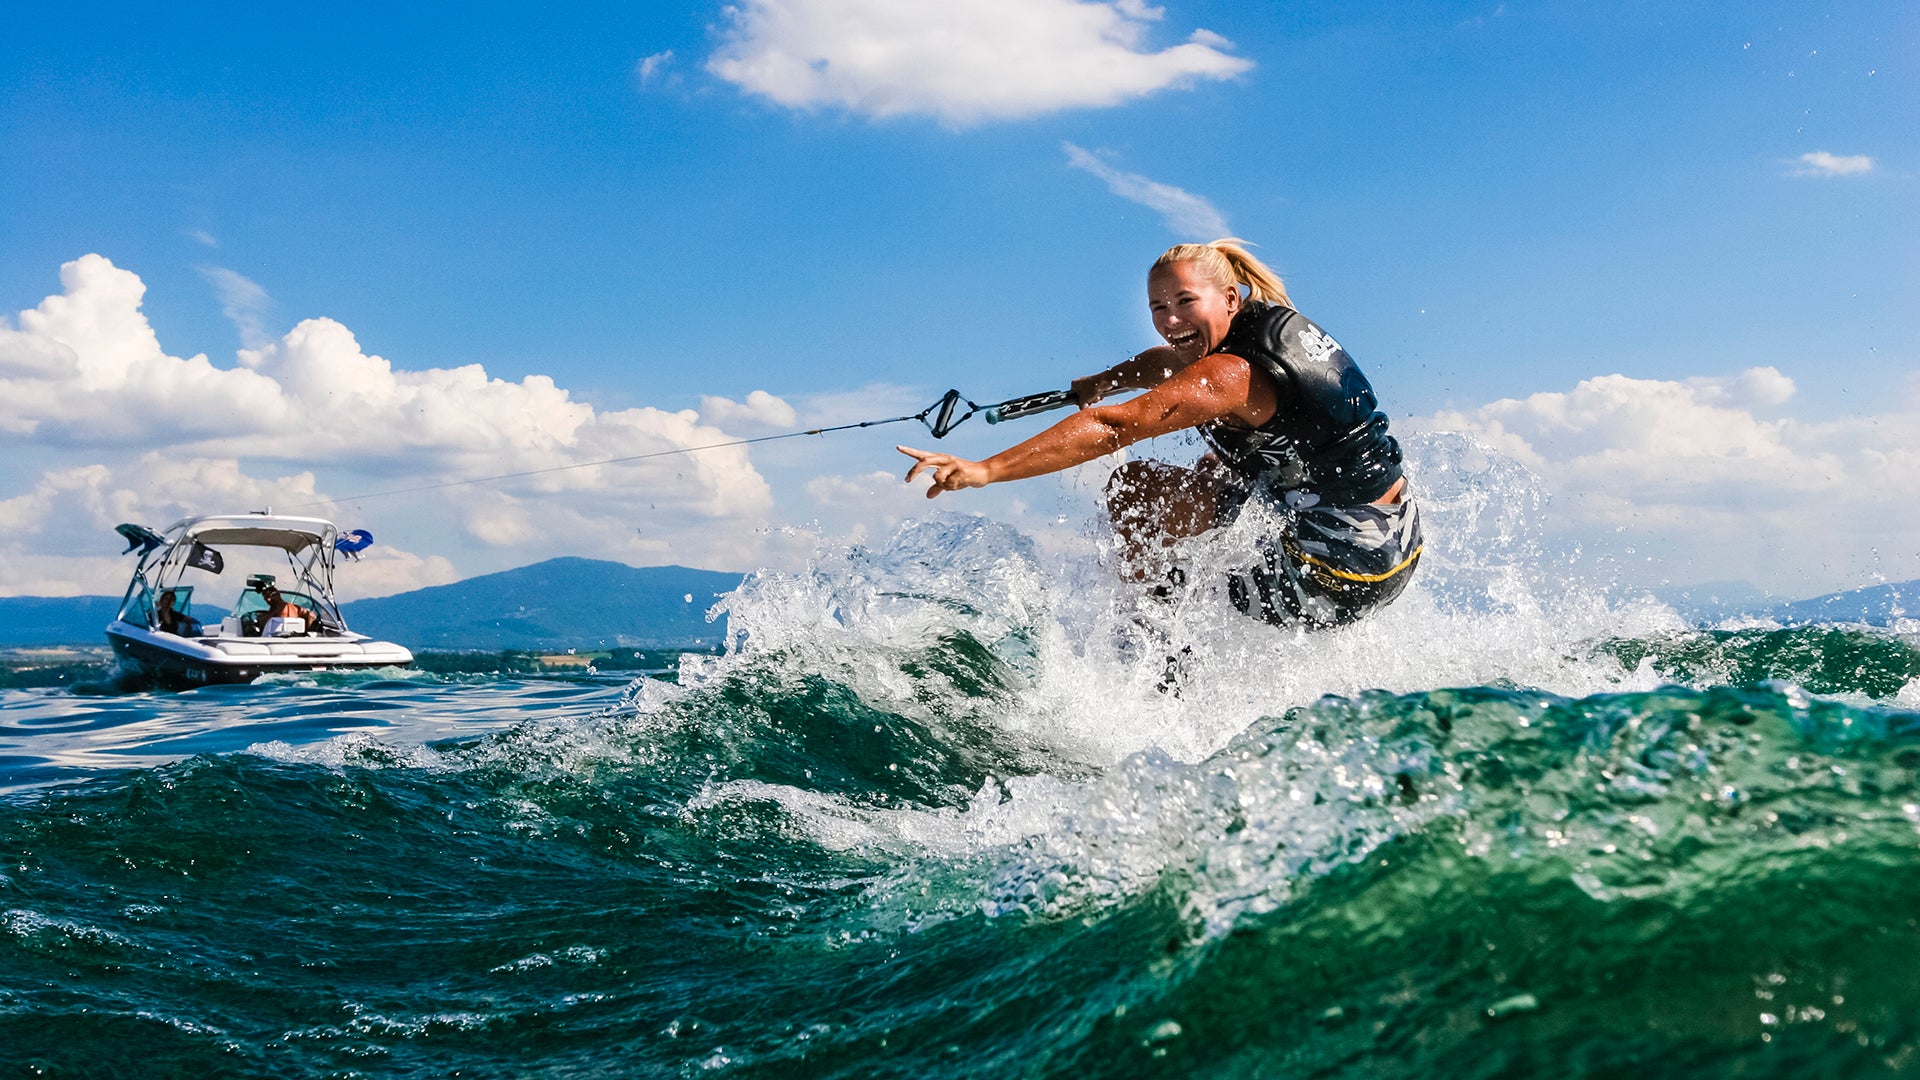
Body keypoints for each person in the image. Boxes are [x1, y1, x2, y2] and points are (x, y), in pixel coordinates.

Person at [898, 239, 1421, 628]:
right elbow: (1166, 364)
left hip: (1336, 576)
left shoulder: (1230, 376)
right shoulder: (1261, 333)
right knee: (1212, 471)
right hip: (1396, 542)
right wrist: (1105, 380)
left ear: (1231, 299)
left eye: (1185, 302)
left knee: (1135, 488)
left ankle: (1154, 648)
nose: (1171, 320)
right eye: (1157, 307)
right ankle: (1170, 618)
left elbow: (1114, 424)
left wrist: (987, 469)